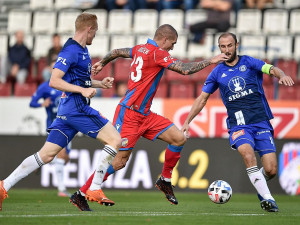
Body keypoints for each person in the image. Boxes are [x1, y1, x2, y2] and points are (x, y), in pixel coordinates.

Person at [69, 24, 229, 211]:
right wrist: (211, 60)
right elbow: (185, 70)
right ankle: (81, 194)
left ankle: (165, 180)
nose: (172, 48)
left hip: (145, 114)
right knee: (120, 161)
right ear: (164, 39)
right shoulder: (157, 53)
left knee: (179, 138)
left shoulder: (140, 48)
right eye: (172, 43)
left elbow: (117, 51)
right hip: (129, 114)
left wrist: (103, 63)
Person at [0, 12, 121, 212]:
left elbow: (80, 81)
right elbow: (54, 81)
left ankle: (4, 185)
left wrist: (100, 84)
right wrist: (83, 91)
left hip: (67, 110)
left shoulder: (83, 51)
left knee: (46, 155)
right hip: (77, 108)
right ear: (89, 29)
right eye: (95, 31)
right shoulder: (71, 50)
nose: (95, 36)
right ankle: (95, 188)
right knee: (115, 140)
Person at [181, 32, 294, 212]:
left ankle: (261, 188)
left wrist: (281, 75)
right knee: (248, 154)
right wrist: (187, 121)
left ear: (236, 45)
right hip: (238, 125)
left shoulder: (249, 62)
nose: (226, 50)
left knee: (271, 170)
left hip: (261, 121)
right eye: (223, 47)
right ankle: (268, 199)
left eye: (229, 46)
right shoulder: (217, 72)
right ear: (219, 48)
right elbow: (202, 99)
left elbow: (271, 68)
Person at [30, 61, 71, 197]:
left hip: (69, 125)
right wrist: (43, 103)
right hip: (55, 124)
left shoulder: (68, 83)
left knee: (65, 158)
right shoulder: (45, 87)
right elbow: (32, 102)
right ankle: (61, 189)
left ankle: (39, 161)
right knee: (61, 154)